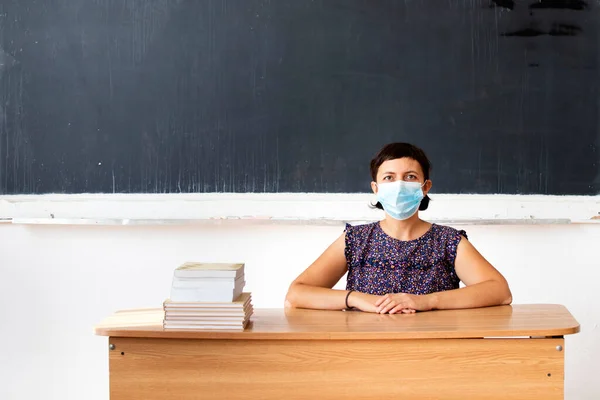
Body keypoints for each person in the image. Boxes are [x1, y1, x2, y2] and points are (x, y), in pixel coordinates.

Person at [285, 142, 512, 314]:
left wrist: (426, 301)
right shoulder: (355, 240)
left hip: (434, 353)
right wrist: (355, 298)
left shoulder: (447, 242)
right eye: (389, 177)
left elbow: (500, 291)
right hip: (365, 354)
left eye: (410, 177)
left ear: (425, 187)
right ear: (376, 188)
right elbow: (297, 293)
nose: (399, 185)